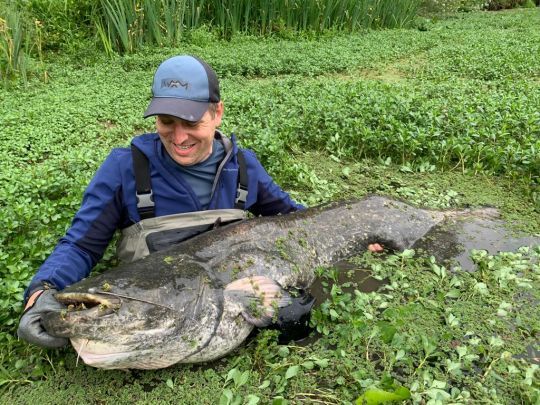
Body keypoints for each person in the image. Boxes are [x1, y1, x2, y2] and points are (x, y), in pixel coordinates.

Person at [17, 55, 305, 348]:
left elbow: (296, 222)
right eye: (167, 122)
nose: (179, 137)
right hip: (151, 316)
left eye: (191, 122)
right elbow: (81, 245)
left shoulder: (244, 166)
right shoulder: (124, 168)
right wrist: (42, 292)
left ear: (217, 113)